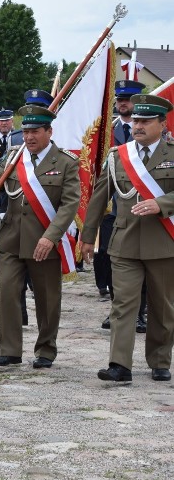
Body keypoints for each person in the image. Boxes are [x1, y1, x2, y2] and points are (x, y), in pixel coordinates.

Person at [80, 93, 174, 383]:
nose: (138, 125)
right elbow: (99, 198)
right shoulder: (118, 156)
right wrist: (87, 237)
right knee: (123, 304)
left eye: (146, 121)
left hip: (163, 243)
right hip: (124, 243)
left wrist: (163, 204)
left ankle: (159, 361)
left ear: (162, 123)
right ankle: (119, 364)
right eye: (136, 120)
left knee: (162, 306)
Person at [0, 104, 80, 368]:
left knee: (47, 299)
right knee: (7, 294)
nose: (29, 137)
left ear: (49, 131)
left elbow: (70, 204)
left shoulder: (66, 162)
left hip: (44, 241)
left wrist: (51, 237)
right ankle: (10, 350)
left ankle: (46, 350)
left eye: (35, 131)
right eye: (25, 131)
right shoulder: (14, 157)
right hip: (12, 239)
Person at [98, 80, 148, 332]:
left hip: (146, 210)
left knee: (143, 264)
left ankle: (140, 312)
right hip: (114, 208)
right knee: (111, 259)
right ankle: (117, 309)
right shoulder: (105, 130)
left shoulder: (154, 132)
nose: (122, 104)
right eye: (119, 99)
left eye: (128, 100)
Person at [0, 108, 24, 278]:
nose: (4, 124)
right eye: (1, 121)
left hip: (15, 187)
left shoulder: (19, 138)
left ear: (12, 122)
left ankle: (13, 257)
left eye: (7, 120)